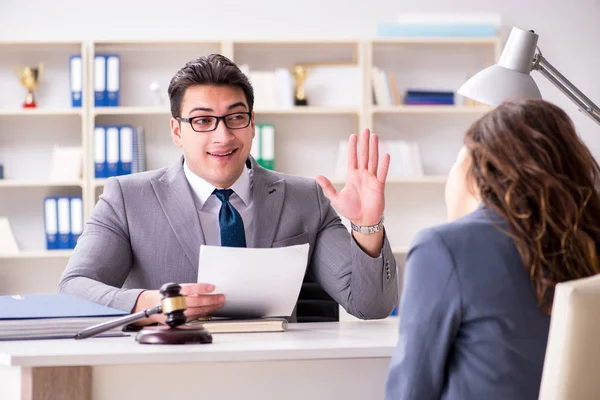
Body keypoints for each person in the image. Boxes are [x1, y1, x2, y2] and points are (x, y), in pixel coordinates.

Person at [58, 54, 398, 324]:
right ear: (177, 131)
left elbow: (371, 306)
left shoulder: (305, 198)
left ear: (252, 124)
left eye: (236, 118)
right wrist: (149, 304)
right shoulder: (128, 199)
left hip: (277, 375)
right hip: (168, 373)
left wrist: (368, 226)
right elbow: (74, 289)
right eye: (203, 121)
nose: (223, 136)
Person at [385, 98, 600, 399]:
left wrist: (456, 221)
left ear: (478, 169)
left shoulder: (442, 249)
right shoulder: (587, 240)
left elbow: (409, 392)